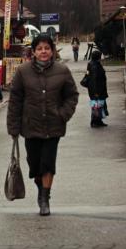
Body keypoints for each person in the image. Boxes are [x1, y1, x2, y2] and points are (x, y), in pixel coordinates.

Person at [7, 34, 79, 216]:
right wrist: (13, 128)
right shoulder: (23, 72)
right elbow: (15, 100)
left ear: (52, 51)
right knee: (35, 165)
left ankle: (45, 198)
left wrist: (63, 114)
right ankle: (41, 189)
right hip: (30, 127)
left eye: (47, 48)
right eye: (39, 48)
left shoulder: (62, 70)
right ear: (33, 52)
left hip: (53, 127)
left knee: (48, 164)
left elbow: (72, 95)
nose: (43, 52)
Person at [87, 50, 108, 128]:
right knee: (96, 105)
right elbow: (94, 80)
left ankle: (98, 121)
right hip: (97, 90)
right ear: (97, 57)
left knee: (98, 105)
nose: (101, 58)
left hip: (96, 89)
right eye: (100, 56)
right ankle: (94, 121)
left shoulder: (92, 63)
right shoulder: (95, 66)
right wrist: (96, 92)